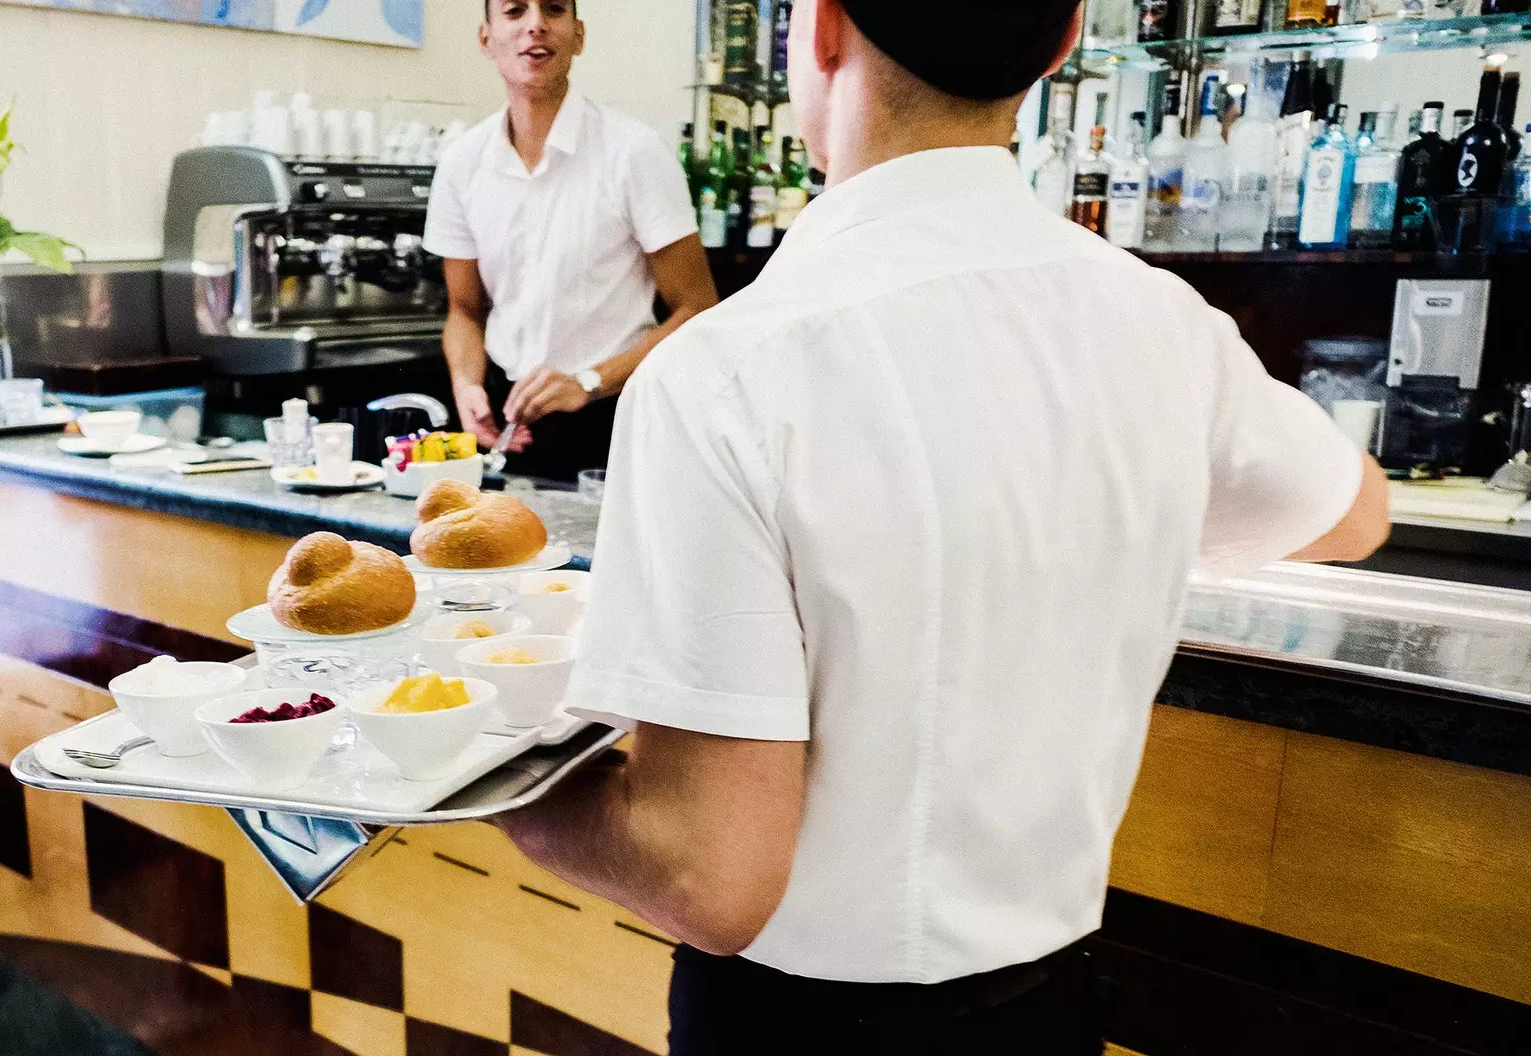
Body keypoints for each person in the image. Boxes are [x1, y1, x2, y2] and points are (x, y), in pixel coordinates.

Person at [495, 0, 1391, 1052]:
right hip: (1049, 1014)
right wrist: (1094, 496)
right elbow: (1354, 512)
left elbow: (707, 877)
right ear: (1062, 44)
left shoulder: (725, 372)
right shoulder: (1166, 325)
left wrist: (496, 779)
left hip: (797, 1032)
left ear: (820, 30)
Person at [422, 0, 718, 481]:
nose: (535, 24)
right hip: (511, 419)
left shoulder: (634, 153)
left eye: (553, 10)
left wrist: (588, 382)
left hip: (613, 413)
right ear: (486, 39)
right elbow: (464, 309)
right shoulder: (461, 161)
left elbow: (698, 307)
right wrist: (466, 385)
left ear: (578, 35)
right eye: (515, 11)